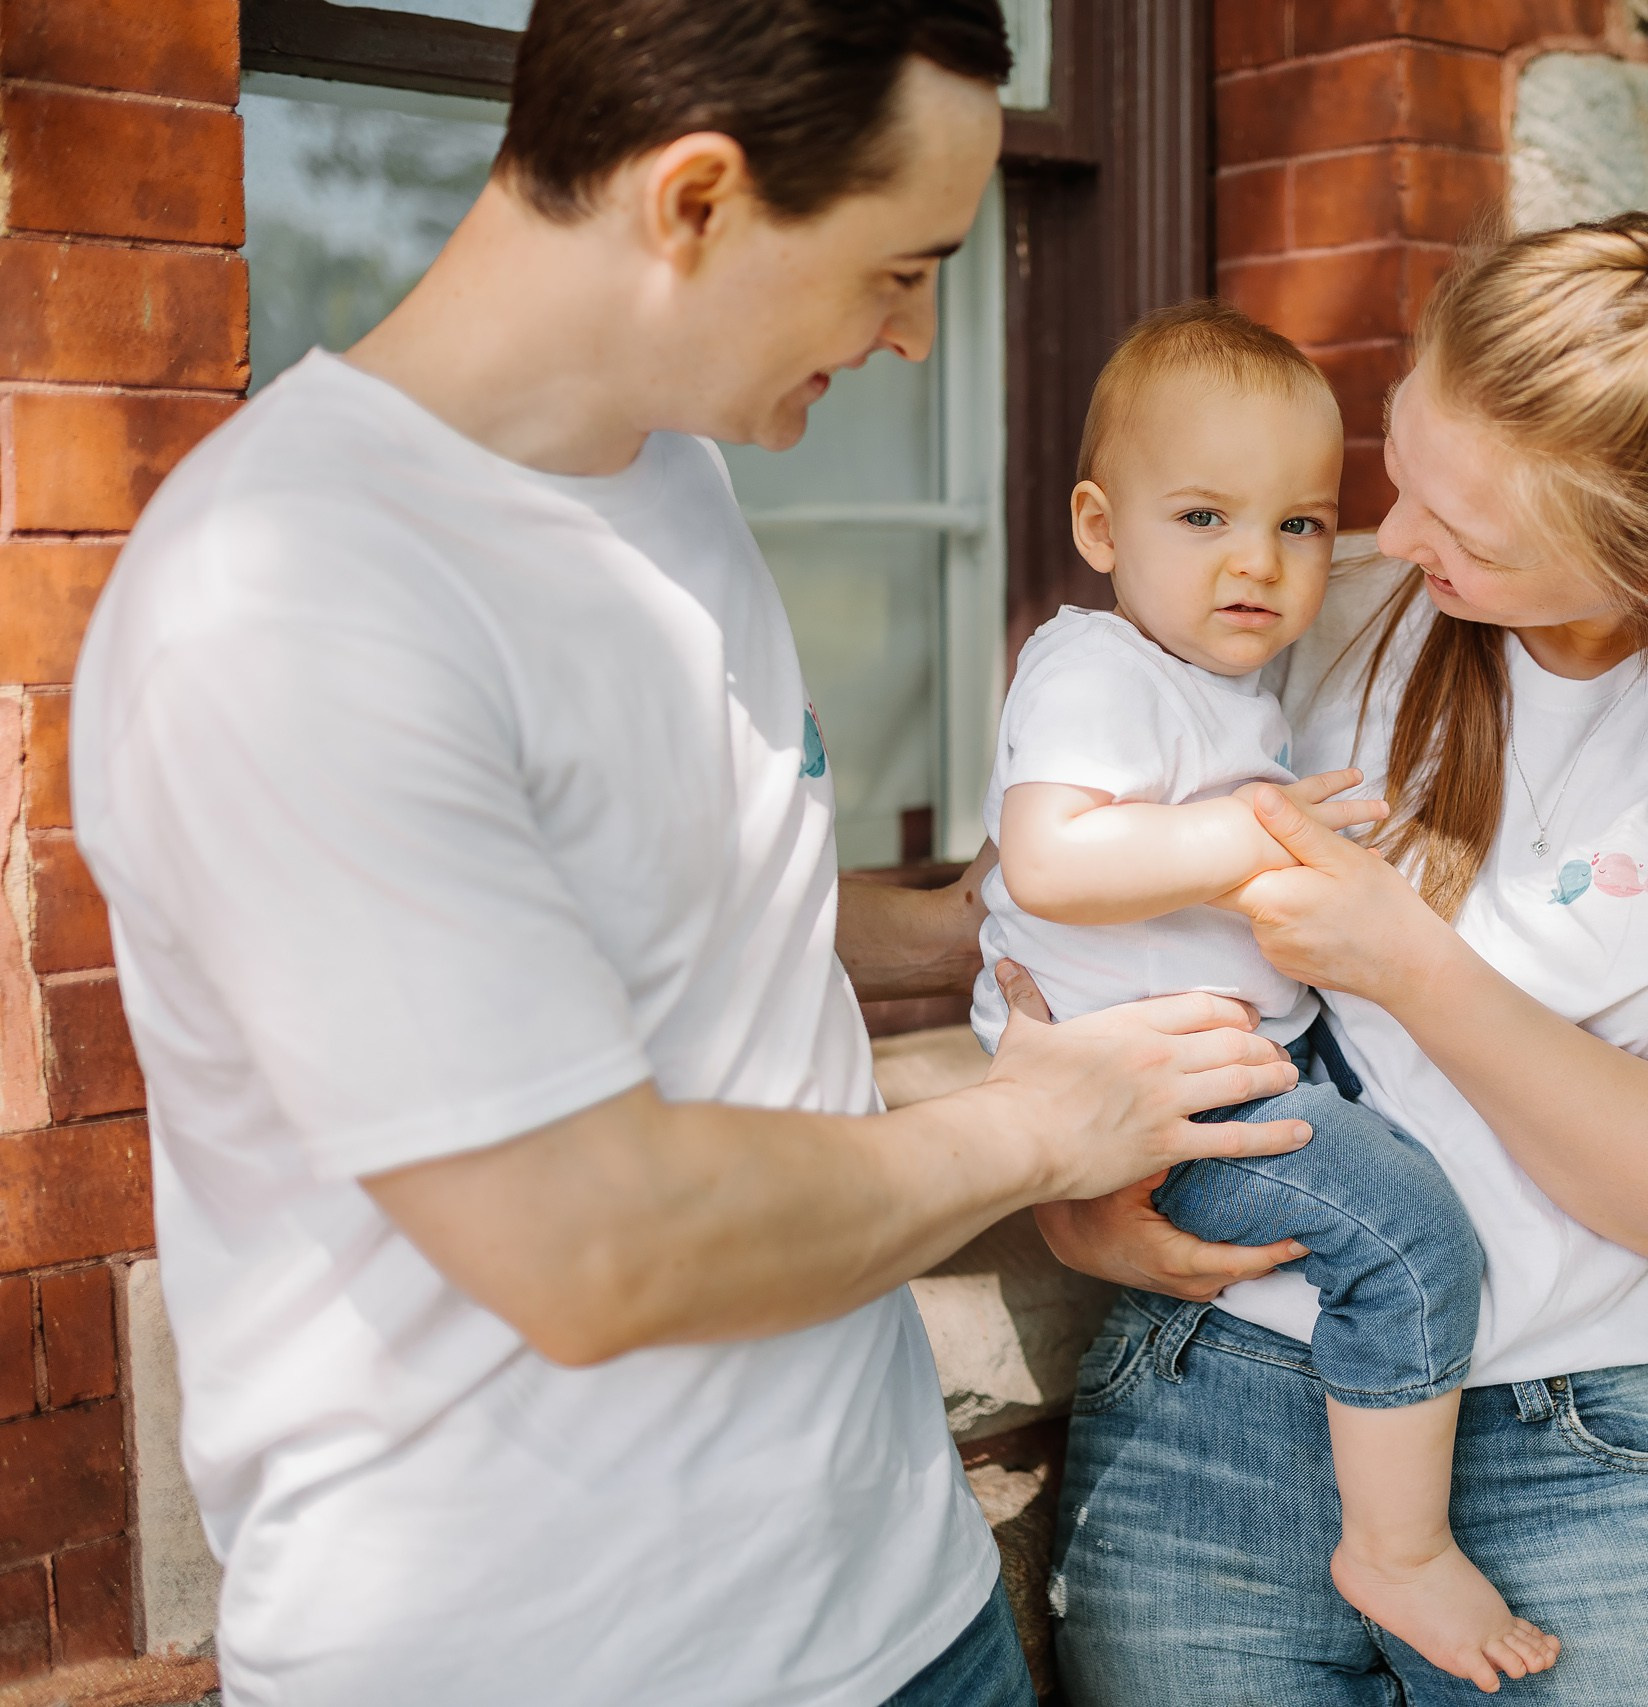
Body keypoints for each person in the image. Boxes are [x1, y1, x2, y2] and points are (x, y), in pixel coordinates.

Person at [67, 4, 1315, 1703]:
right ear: (697, 201)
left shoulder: (669, 472)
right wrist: (1040, 1126)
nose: (915, 338)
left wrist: (1003, 925)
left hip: (903, 1603)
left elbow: (678, 922)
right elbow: (599, 1243)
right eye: (899, 269)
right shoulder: (293, 603)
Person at [1039, 213, 1648, 1705]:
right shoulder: (1306, 603)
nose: (1394, 540)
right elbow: (1061, 885)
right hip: (1218, 1407)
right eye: (1402, 467)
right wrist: (1079, 1192)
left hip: (1580, 1452)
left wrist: (1416, 967)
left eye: (1468, 535)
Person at [973, 300, 1560, 1691]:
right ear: (1099, 528)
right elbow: (1048, 861)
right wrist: (1254, 837)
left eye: (1301, 523)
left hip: (1239, 1063)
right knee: (1410, 1241)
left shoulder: (1216, 678)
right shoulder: (1095, 667)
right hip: (1153, 1096)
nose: (1259, 560)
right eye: (1202, 519)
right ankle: (1399, 1550)